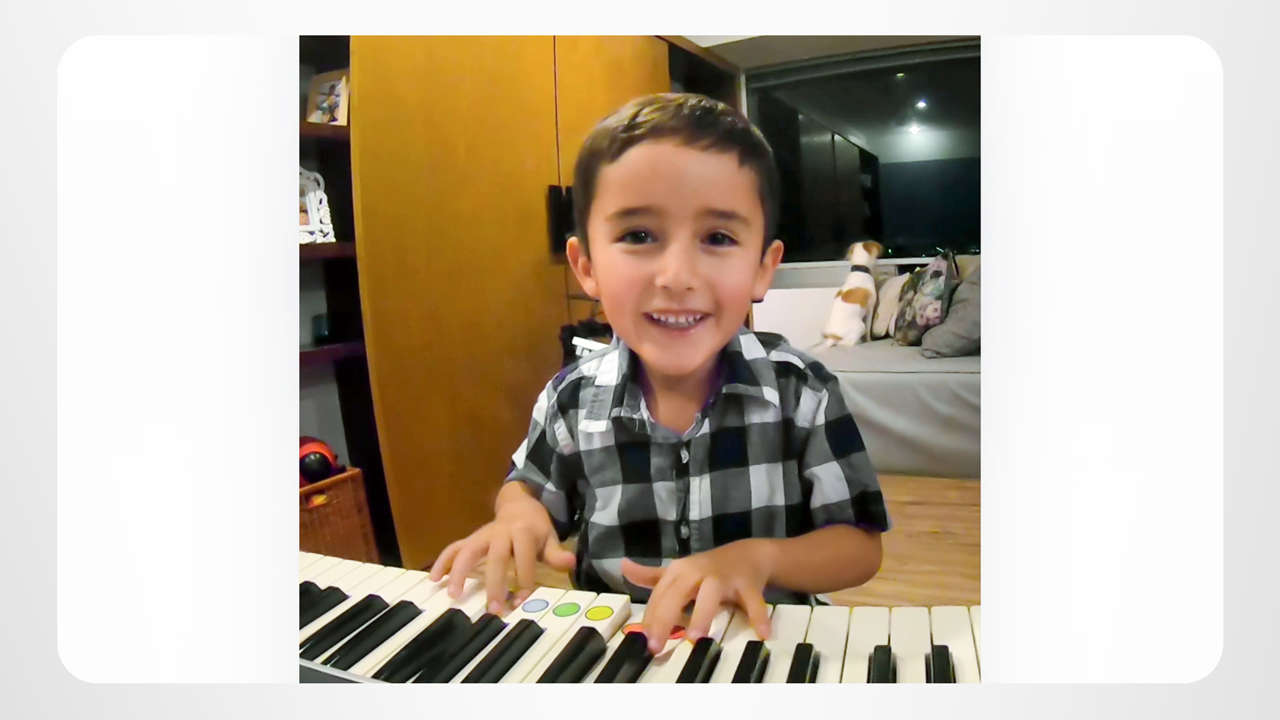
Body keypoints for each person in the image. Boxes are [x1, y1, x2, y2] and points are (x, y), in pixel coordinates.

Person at [430, 93, 889, 654]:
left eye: (718, 238)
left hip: (762, 645)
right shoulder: (571, 398)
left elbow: (859, 546)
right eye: (639, 235)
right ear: (587, 266)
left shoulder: (801, 389)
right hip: (621, 650)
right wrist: (518, 517)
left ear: (762, 268)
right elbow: (526, 488)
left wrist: (759, 558)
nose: (676, 275)